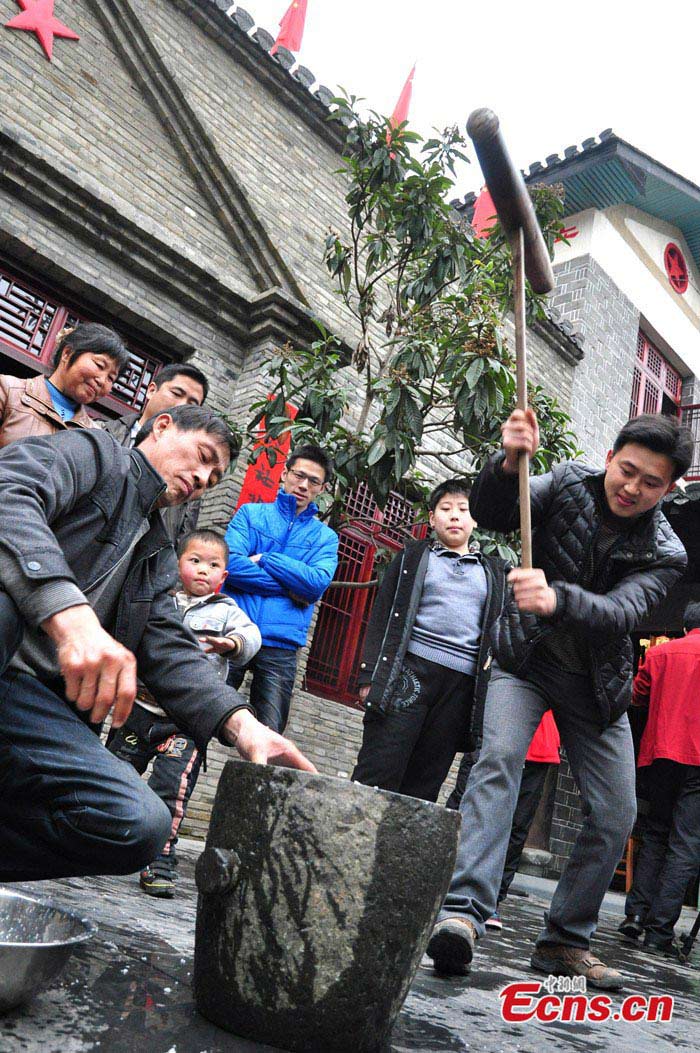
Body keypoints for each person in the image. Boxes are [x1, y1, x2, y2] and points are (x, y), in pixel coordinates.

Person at [426, 410, 690, 990]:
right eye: (627, 471)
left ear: (670, 490)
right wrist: (508, 462)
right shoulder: (568, 480)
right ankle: (462, 914)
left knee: (618, 811)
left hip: (597, 685)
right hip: (525, 662)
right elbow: (494, 512)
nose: (633, 488)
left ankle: (565, 940)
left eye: (651, 483)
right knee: (496, 765)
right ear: (610, 456)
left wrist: (557, 597)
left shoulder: (667, 551)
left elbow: (624, 612)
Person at [0, 404, 314, 883]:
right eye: (203, 457)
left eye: (214, 477)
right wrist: (70, 617)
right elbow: (9, 493)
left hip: (36, 703)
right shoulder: (95, 453)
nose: (203, 477)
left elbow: (169, 645)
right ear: (163, 425)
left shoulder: (156, 548)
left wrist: (242, 725)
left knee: (139, 824)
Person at [108, 529, 262, 898]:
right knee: (115, 775)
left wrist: (231, 644)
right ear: (178, 565)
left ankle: (159, 858)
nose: (203, 570)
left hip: (185, 724)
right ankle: (104, 841)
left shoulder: (227, 611)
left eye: (213, 565)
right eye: (195, 561)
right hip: (139, 711)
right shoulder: (160, 601)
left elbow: (252, 639)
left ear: (224, 576)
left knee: (169, 790)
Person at [351, 479, 507, 803]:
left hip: (459, 688)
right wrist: (369, 676)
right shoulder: (413, 557)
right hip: (409, 673)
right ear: (432, 519)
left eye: (463, 510)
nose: (454, 516)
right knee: (378, 770)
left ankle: (401, 853)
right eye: (445, 509)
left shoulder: (493, 572)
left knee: (424, 786)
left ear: (475, 519)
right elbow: (380, 615)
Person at [223, 444, 338, 733]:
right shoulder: (251, 514)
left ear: (322, 489)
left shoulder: (325, 538)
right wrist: (288, 588)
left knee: (270, 735)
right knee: (199, 719)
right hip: (233, 630)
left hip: (280, 647)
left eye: (313, 481)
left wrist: (265, 558)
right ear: (285, 474)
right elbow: (231, 565)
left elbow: (314, 585)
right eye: (299, 475)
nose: (303, 485)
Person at [617, 602, 700, 952]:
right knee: (685, 843)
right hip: (698, 762)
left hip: (661, 753)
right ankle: (660, 931)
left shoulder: (661, 653)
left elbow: (636, 696)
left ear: (684, 627)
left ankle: (635, 915)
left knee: (654, 833)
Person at [446, 710, 561, 932]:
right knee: (466, 811)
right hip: (494, 735)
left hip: (541, 745)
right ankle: (446, 882)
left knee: (517, 828)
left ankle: (492, 901)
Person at [100, 362, 209, 544]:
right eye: (176, 394)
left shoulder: (190, 481)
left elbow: (180, 542)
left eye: (192, 405)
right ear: (151, 390)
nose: (181, 406)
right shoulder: (102, 434)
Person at [0, 322, 128, 446]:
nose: (102, 381)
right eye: (99, 365)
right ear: (67, 353)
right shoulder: (9, 390)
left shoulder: (96, 438)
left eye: (111, 378)